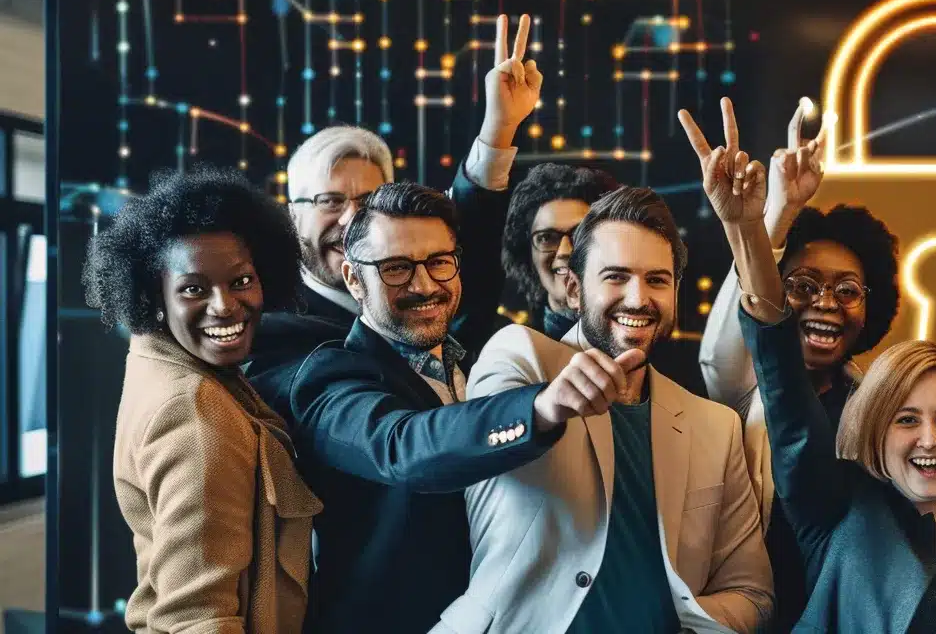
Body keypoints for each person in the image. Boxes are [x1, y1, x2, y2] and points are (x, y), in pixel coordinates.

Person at [709, 98, 936, 634]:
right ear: (874, 432)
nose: (929, 437)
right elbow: (776, 374)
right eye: (906, 419)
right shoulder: (834, 509)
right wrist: (759, 225)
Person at [260, 183, 614, 633]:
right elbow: (403, 448)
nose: (424, 284)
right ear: (353, 278)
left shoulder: (482, 356)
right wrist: (539, 409)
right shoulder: (326, 378)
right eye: (396, 268)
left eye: (438, 262)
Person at [442, 184, 773, 634]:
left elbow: (752, 594)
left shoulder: (717, 427)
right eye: (616, 276)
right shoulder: (520, 356)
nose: (638, 298)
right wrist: (543, 408)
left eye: (657, 280)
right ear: (574, 289)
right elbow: (478, 436)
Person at [694, 99, 902, 631]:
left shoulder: (882, 405)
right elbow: (734, 338)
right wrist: (776, 212)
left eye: (848, 291)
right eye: (804, 287)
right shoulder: (745, 388)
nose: (826, 304)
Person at [88, 167, 322, 633]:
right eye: (194, 289)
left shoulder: (161, 364)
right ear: (157, 297)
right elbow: (196, 618)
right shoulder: (195, 415)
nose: (225, 305)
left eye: (240, 281)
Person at [247, 14, 541, 376]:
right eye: (329, 201)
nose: (350, 217)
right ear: (293, 216)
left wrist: (500, 127)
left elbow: (470, 240)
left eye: (368, 201)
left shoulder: (425, 291)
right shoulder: (274, 328)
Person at [500, 162, 618, 339]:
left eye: (580, 234)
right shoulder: (513, 350)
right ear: (528, 254)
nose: (564, 251)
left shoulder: (650, 344)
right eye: (546, 238)